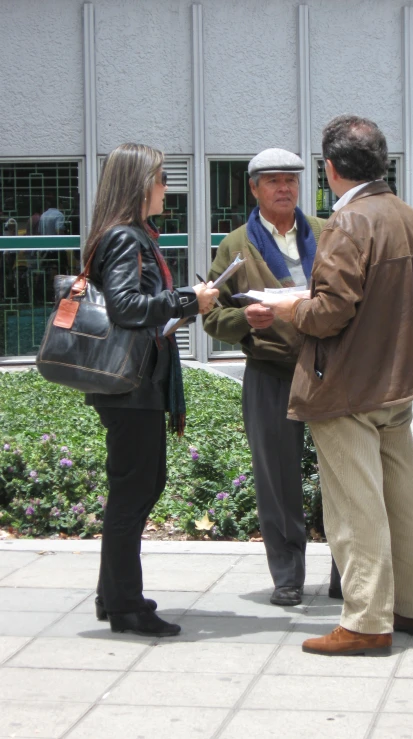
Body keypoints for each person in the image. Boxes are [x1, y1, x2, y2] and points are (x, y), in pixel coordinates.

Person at [267, 115, 413, 655]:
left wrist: (291, 307)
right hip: (396, 380)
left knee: (355, 507)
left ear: (331, 169)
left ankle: (366, 622)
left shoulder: (349, 222)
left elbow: (330, 313)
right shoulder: (407, 216)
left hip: (347, 387)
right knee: (404, 500)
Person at [83, 143, 219, 637]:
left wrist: (184, 303)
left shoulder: (130, 234)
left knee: (133, 488)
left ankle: (112, 594)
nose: (168, 187)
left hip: (132, 384)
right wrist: (189, 297)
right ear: (140, 183)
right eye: (162, 179)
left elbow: (135, 305)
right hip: (130, 386)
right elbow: (125, 307)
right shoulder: (125, 237)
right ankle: (125, 606)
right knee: (135, 491)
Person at [203, 148, 328, 607]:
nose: (284, 188)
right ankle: (288, 576)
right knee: (277, 480)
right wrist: (244, 321)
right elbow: (211, 314)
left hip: (327, 371)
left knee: (342, 471)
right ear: (253, 188)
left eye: (291, 180)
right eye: (273, 181)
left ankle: (346, 570)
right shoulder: (235, 245)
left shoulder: (326, 232)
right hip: (269, 372)